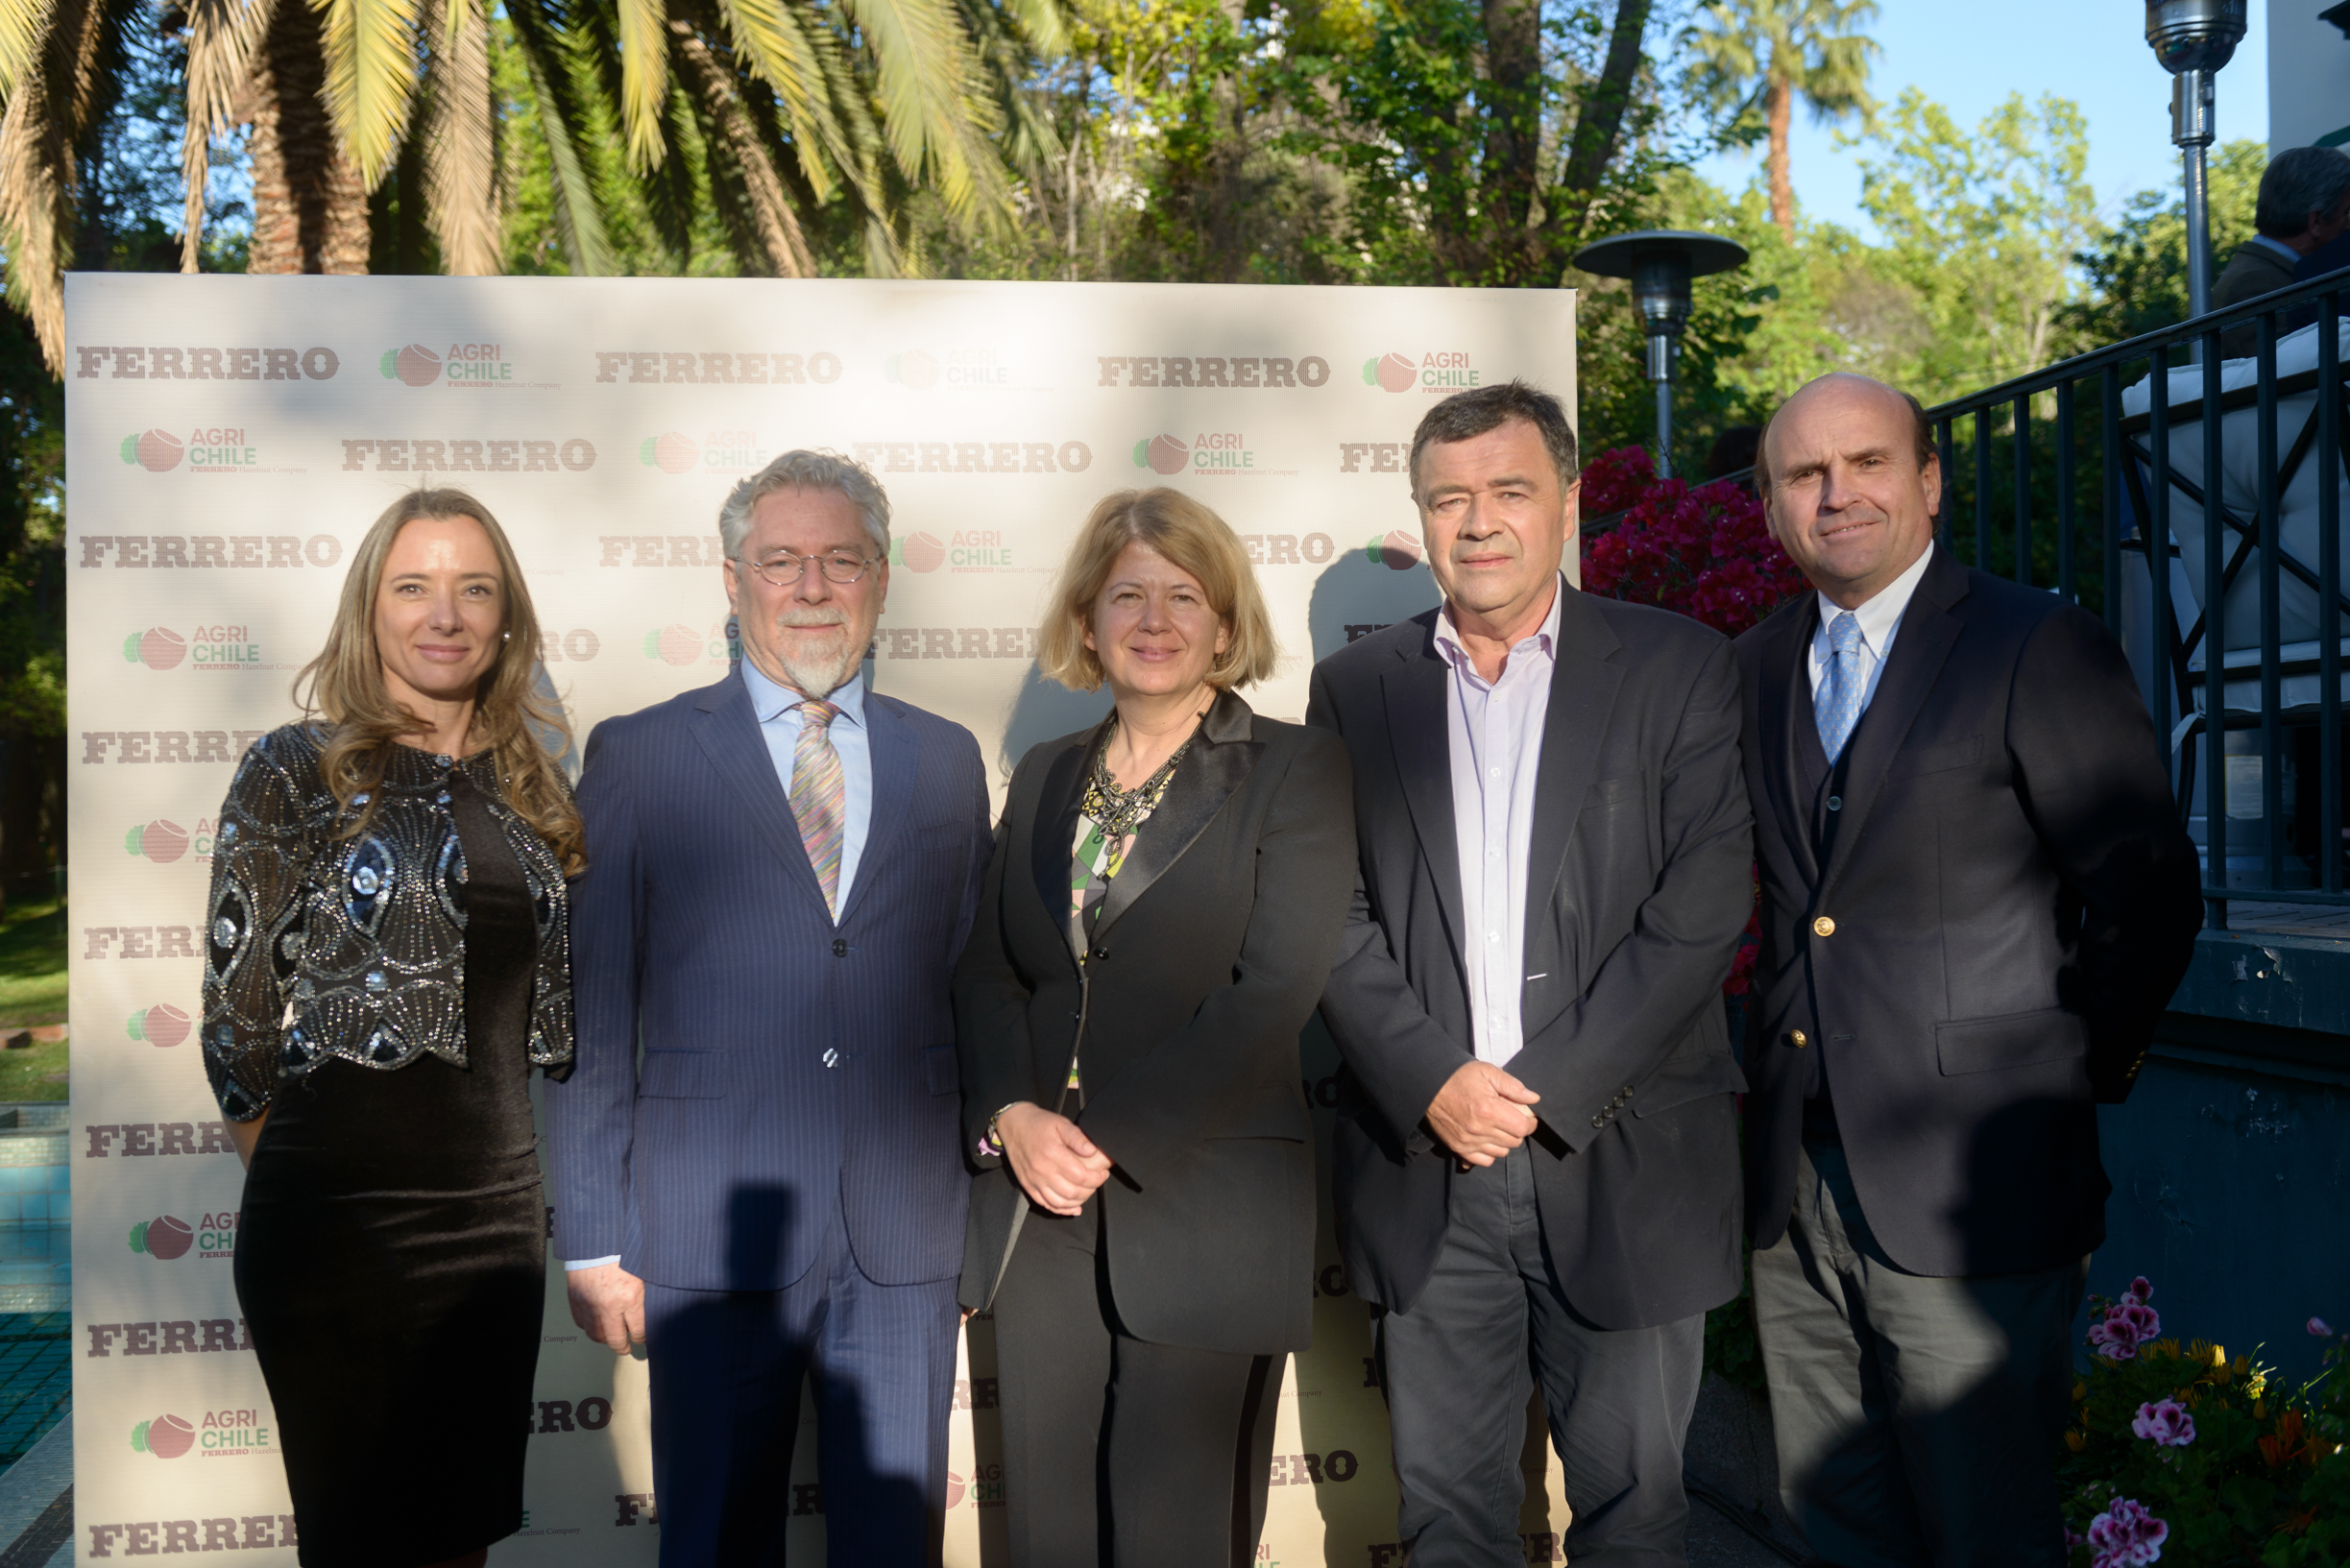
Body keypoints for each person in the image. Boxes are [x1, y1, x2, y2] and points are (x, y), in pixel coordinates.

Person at [1734, 374, 2204, 1567]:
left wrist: (2054, 1070)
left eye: (1867, 463)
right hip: (1794, 1177)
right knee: (1825, 1522)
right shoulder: (1747, 667)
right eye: (1803, 474)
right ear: (1771, 506)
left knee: (1983, 1526)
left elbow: (2142, 893)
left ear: (1928, 483)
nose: (1836, 493)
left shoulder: (2031, 640)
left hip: (1974, 1187)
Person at [1310, 381, 1756, 1565]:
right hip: (1428, 1163)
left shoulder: (1680, 668)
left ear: (1565, 503)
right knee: (1446, 1523)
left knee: (1636, 1520)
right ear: (1419, 516)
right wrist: (1432, 1079)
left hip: (1621, 1159)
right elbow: (1330, 910)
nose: (1478, 521)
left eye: (1508, 490)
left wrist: (1540, 1090)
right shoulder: (1357, 691)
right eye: (1447, 498)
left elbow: (1702, 908)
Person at [545, 451, 992, 1568]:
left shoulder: (945, 759)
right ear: (733, 579)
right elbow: (592, 1014)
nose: (810, 586)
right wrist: (591, 1235)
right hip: (705, 1232)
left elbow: (973, 992)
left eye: (840, 559)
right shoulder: (640, 755)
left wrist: (976, 1227)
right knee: (712, 1540)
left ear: (879, 579)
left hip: (902, 1231)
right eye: (781, 560)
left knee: (895, 1544)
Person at [955, 488, 1355, 1567]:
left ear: (1224, 625)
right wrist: (1012, 1115)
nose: (1154, 618)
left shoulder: (1291, 769)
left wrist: (1107, 1136)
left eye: (1184, 595)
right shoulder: (1042, 778)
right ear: (1085, 621)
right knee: (1047, 1530)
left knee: (1170, 1534)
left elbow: (1274, 989)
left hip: (1202, 1208)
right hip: (1038, 1210)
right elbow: (989, 968)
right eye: (1126, 593)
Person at [202, 489, 580, 1568]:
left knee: (460, 1539)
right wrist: (301, 1183)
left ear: (506, 617)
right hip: (337, 1223)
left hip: (497, 1219)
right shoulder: (299, 766)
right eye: (412, 586)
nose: (443, 613)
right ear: (368, 609)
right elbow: (235, 1013)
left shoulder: (530, 787)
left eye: (474, 588)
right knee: (363, 1543)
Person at [2213, 144, 2350, 355]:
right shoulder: (2252, 284)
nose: (2348, 223)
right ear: (2316, 221)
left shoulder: (2260, 274)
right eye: (2347, 212)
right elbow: (2295, 378)